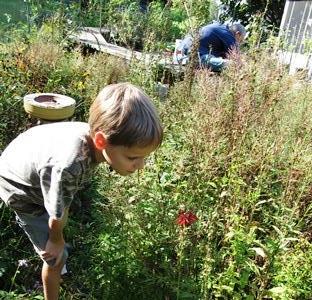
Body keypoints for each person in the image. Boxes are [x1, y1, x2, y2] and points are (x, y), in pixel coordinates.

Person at [0, 83, 163, 300]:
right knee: (57, 258)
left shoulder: (92, 140)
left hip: (29, 159)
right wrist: (56, 240)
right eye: (133, 158)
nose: (140, 165)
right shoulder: (69, 165)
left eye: (144, 157)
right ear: (100, 141)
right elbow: (56, 213)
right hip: (20, 187)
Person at [177, 22, 246, 72]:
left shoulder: (220, 28)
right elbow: (236, 58)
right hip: (194, 58)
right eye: (241, 40)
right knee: (234, 65)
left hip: (182, 55)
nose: (239, 43)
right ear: (238, 34)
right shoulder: (228, 35)